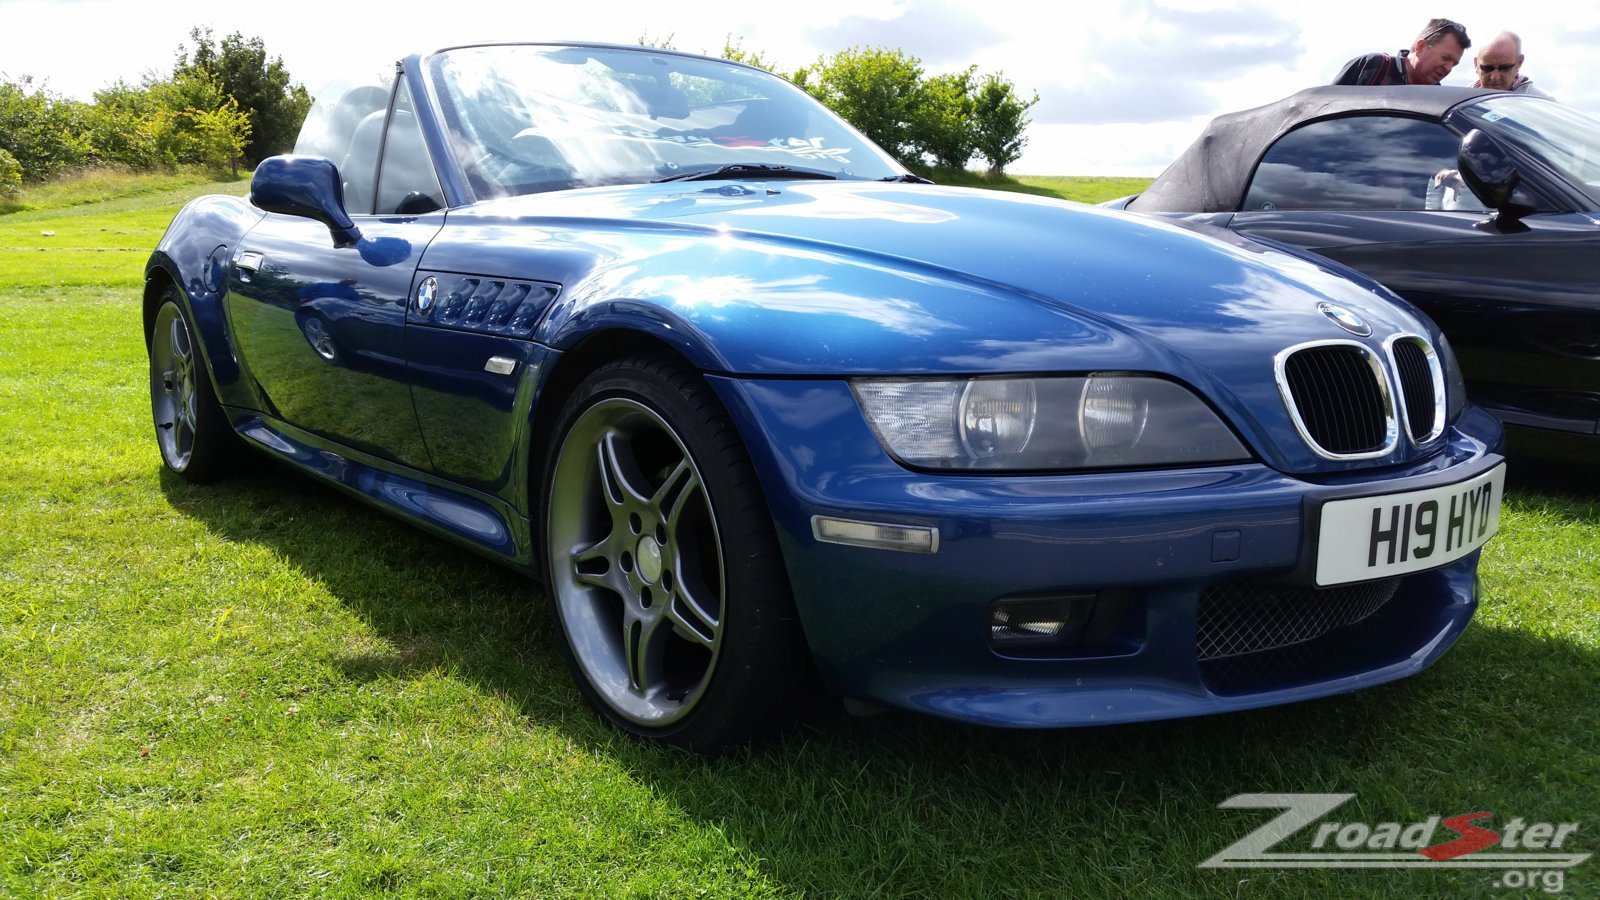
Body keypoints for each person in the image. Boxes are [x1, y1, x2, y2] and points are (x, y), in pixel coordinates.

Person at [1334, 18, 1471, 86]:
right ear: (1421, 47)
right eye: (1446, 58)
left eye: (1454, 64)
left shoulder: (1439, 100)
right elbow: (1323, 110)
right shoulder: (1372, 67)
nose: (1448, 68)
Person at [1473, 31, 1555, 99]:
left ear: (1519, 62)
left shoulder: (1543, 104)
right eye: (1487, 68)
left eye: (1504, 68)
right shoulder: (1463, 103)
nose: (1495, 76)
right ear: (1476, 64)